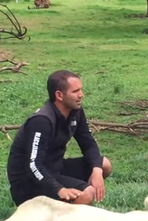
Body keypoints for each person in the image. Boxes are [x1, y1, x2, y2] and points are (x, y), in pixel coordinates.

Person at [6, 70, 112, 206]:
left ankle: (63, 209)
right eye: (75, 91)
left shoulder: (75, 111)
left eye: (81, 90)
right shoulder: (41, 121)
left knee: (104, 165)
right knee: (87, 193)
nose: (81, 95)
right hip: (28, 182)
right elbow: (32, 165)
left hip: (55, 169)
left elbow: (87, 142)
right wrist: (59, 189)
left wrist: (96, 170)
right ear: (59, 95)